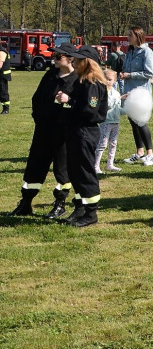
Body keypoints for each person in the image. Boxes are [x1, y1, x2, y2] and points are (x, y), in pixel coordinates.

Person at [7, 44, 76, 218]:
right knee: (34, 167)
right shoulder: (50, 75)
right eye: (54, 55)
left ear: (69, 58)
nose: (54, 58)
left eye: (58, 56)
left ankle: (60, 204)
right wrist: (39, 118)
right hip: (43, 130)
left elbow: (80, 107)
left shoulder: (77, 79)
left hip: (63, 134)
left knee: (62, 170)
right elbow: (36, 98)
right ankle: (26, 203)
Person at [55, 46, 108, 227]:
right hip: (75, 130)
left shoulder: (93, 83)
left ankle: (91, 213)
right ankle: (80, 208)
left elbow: (89, 110)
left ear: (87, 63)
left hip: (85, 131)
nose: (74, 62)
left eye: (78, 60)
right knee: (75, 171)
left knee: (85, 171)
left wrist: (69, 101)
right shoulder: (81, 81)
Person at [120, 26, 153, 166]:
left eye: (130, 35)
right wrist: (123, 73)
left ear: (138, 36)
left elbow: (149, 73)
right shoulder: (130, 51)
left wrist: (129, 75)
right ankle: (140, 152)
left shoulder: (146, 52)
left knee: (141, 122)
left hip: (141, 92)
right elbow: (126, 68)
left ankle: (150, 154)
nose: (128, 37)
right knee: (133, 122)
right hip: (129, 91)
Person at [94, 69, 123, 174]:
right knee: (102, 144)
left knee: (113, 143)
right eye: (105, 78)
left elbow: (118, 108)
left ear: (115, 80)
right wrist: (119, 98)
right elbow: (108, 105)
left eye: (110, 79)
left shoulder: (116, 93)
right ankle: (95, 166)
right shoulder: (102, 92)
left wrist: (129, 109)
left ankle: (110, 164)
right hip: (106, 122)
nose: (107, 81)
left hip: (116, 122)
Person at [0, 41, 11, 114]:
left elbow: (0, 65)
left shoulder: (1, 52)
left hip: (2, 76)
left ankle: (6, 109)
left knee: (3, 92)